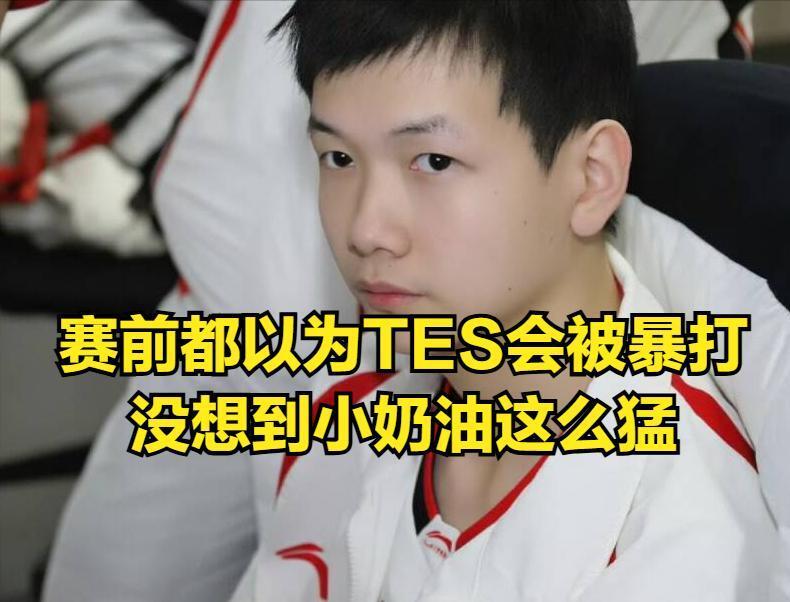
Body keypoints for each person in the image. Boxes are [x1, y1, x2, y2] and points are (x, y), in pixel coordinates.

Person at [42, 2, 790, 601]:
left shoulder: (671, 542)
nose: (365, 229)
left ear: (592, 177)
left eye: (433, 161)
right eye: (337, 157)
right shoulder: (346, 427)